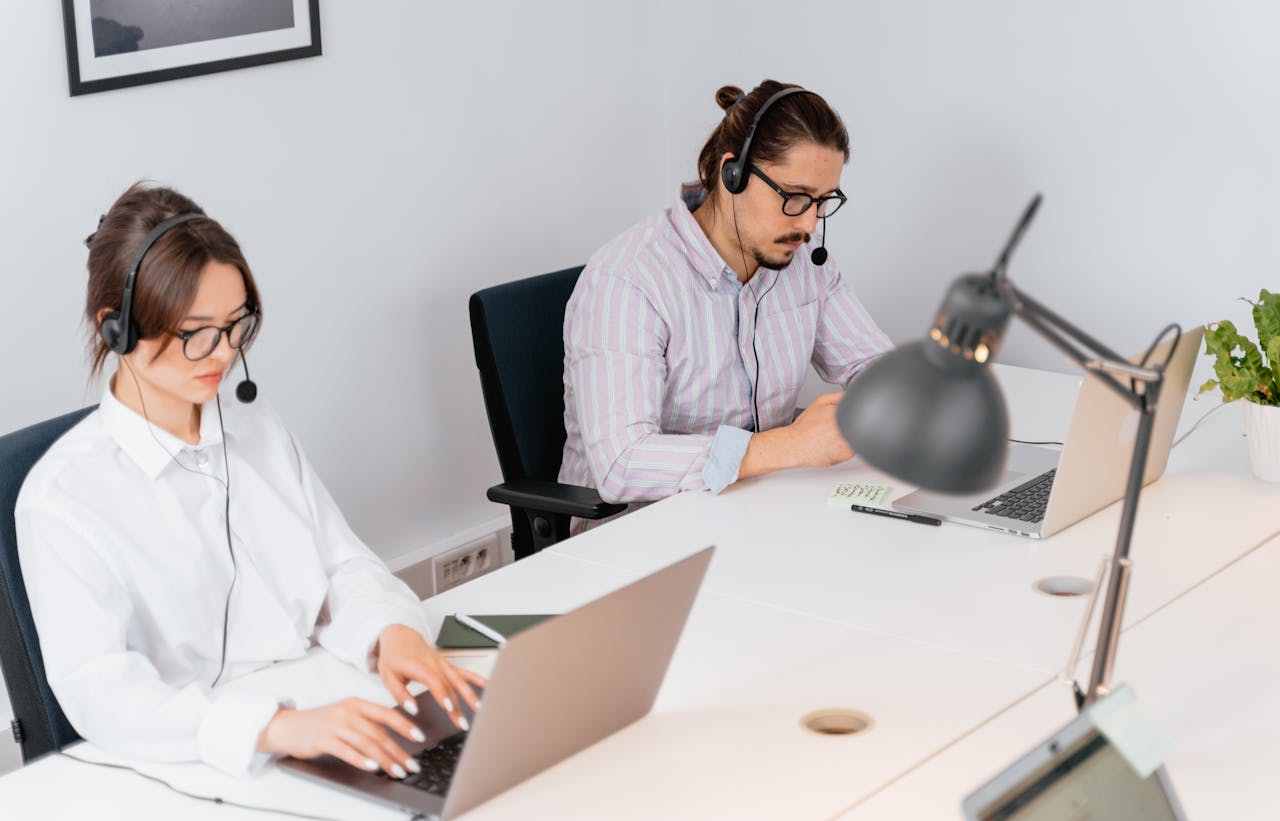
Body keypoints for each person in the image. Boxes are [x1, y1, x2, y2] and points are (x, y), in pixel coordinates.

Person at [15, 183, 483, 779]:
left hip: (330, 708)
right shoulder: (62, 500)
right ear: (117, 331)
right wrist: (274, 727)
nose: (224, 353)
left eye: (237, 325)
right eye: (196, 333)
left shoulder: (255, 428)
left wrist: (393, 633)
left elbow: (344, 566)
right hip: (201, 761)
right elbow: (101, 690)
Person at [560, 80, 892, 524]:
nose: (810, 223)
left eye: (823, 200)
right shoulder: (628, 281)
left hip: (750, 515)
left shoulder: (805, 265)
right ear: (731, 174)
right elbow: (622, 463)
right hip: (637, 539)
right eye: (794, 198)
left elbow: (872, 365)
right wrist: (790, 444)